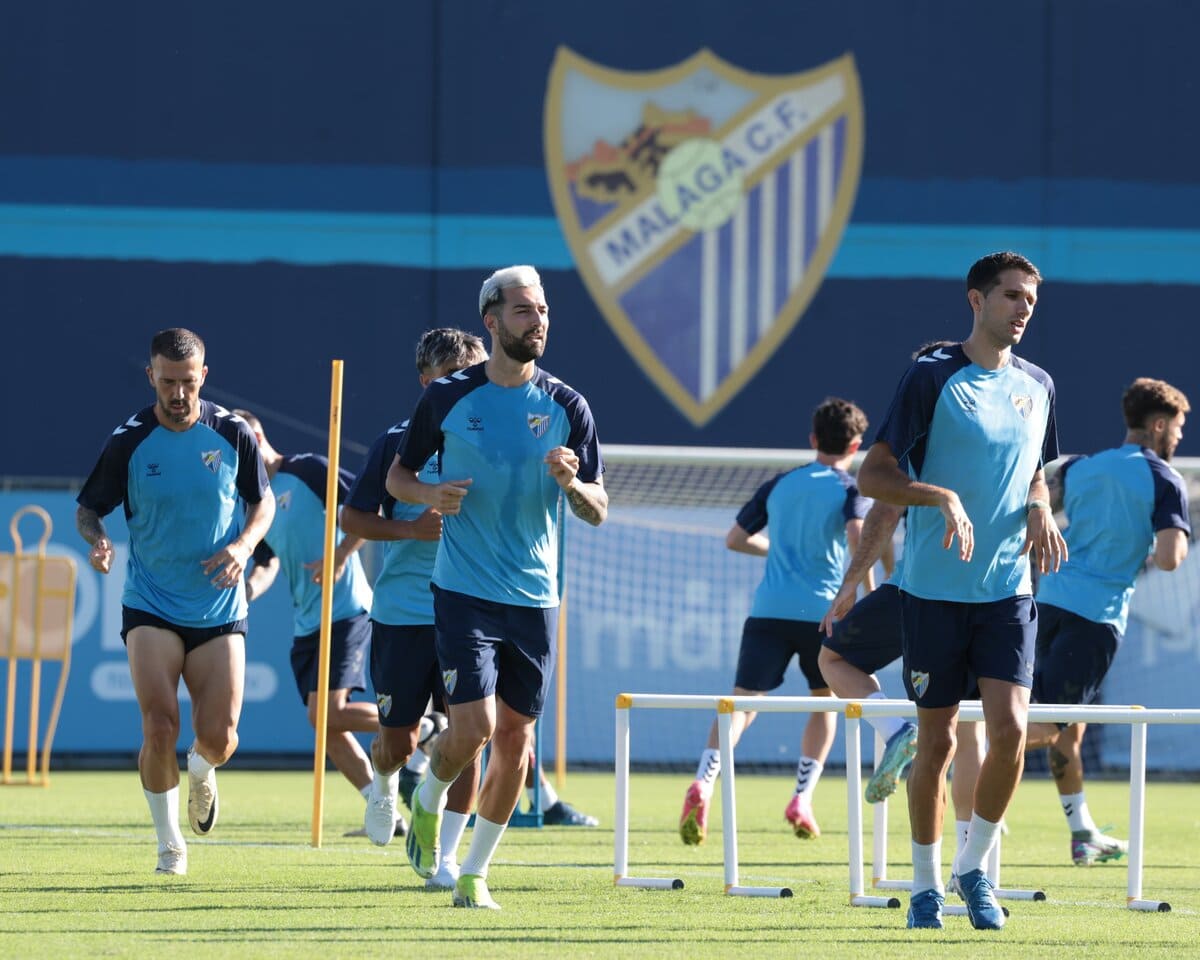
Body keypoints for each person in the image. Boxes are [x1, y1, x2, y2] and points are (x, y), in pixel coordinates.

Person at [385, 266, 607, 910]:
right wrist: (429, 493)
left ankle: (475, 873)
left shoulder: (568, 406)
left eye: (541, 311)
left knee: (517, 738)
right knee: (476, 726)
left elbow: (599, 507)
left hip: (537, 597)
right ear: (491, 320)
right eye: (522, 312)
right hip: (464, 590)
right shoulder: (448, 398)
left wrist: (572, 485)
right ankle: (426, 795)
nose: (536, 321)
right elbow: (399, 477)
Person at [856, 251, 1067, 931]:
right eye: (1010, 296)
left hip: (1008, 589)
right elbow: (874, 476)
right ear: (975, 301)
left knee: (1008, 730)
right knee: (939, 740)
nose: (1022, 308)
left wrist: (1039, 502)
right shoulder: (932, 376)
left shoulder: (1039, 384)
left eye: (1030, 299)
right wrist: (939, 495)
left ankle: (973, 871)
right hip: (934, 591)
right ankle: (923, 886)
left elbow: (1034, 468)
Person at [75, 328, 275, 876]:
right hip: (151, 603)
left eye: (188, 382)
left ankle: (202, 769)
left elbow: (264, 503)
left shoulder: (233, 433)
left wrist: (243, 544)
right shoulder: (129, 441)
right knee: (158, 725)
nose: (179, 394)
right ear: (151, 378)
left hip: (218, 608)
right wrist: (96, 539)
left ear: (203, 377)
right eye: (168, 383)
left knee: (221, 736)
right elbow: (89, 508)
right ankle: (169, 845)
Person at [679, 397, 871, 846]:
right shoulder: (849, 489)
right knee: (824, 702)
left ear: (812, 440)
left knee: (743, 703)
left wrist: (778, 553)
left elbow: (735, 539)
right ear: (856, 444)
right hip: (822, 613)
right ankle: (802, 797)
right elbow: (859, 537)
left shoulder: (781, 483)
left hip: (768, 609)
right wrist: (863, 592)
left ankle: (703, 782)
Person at [1026, 378, 1190, 865]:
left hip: (1049, 600)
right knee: (1041, 726)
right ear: (1158, 424)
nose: (1180, 438)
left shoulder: (1080, 467)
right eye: (1178, 428)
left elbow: (1034, 515)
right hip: (1095, 617)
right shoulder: (1164, 479)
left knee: (1068, 729)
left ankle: (1083, 834)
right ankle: (948, 752)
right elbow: (1170, 559)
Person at [235, 410, 405, 838]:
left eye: (238, 447)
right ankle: (382, 811)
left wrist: (342, 554)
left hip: (345, 607)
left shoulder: (309, 469)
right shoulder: (258, 502)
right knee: (325, 726)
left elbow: (365, 509)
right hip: (307, 621)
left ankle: (418, 725)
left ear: (256, 437)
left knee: (328, 713)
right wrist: (248, 592)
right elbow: (266, 563)